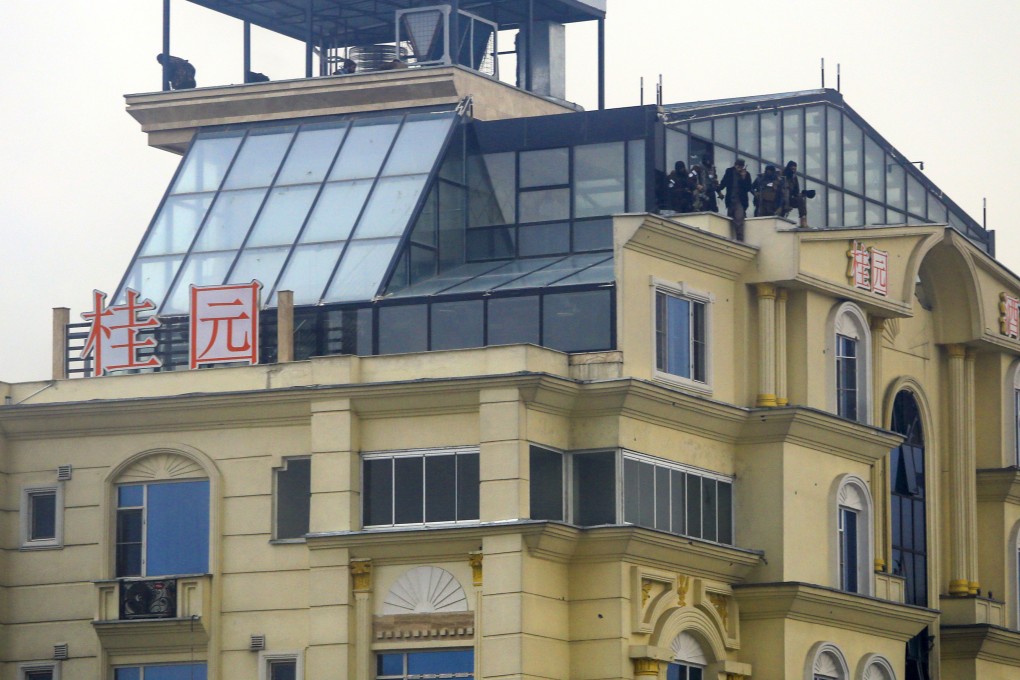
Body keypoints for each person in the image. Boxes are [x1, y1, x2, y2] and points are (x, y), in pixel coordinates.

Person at [718, 158, 753, 239]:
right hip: (730, 200)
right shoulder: (729, 171)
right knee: (730, 221)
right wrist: (718, 188)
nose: (739, 168)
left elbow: (748, 188)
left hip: (740, 201)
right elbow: (723, 183)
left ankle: (740, 239)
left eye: (740, 166)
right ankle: (729, 238)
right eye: (737, 166)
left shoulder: (746, 174)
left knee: (739, 219)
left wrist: (743, 178)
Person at [781, 160, 809, 227]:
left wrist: (803, 194)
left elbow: (796, 191)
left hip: (790, 199)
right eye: (792, 169)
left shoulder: (794, 178)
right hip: (780, 200)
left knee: (801, 200)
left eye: (794, 169)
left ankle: (803, 220)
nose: (793, 171)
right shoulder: (781, 176)